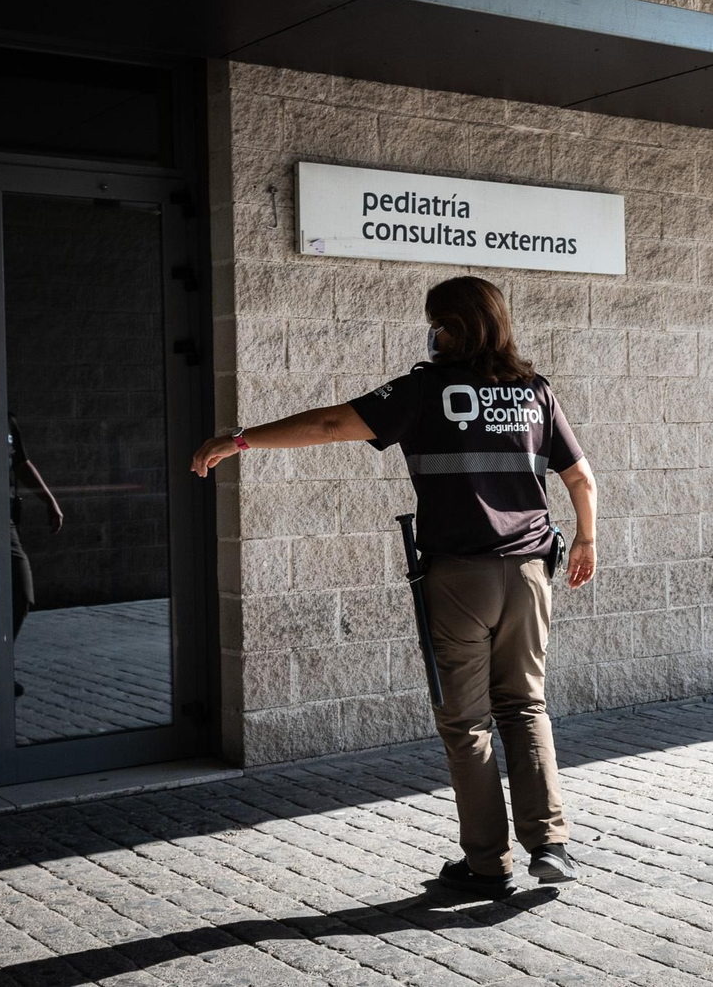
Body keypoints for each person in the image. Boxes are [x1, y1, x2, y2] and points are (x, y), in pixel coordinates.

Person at [191, 275, 597, 898]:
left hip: (458, 577)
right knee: (525, 705)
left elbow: (330, 425)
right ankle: (551, 846)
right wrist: (588, 540)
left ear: (452, 327)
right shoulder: (533, 392)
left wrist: (242, 438)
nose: (431, 332)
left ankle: (488, 866)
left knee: (467, 722)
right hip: (528, 573)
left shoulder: (422, 389)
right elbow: (581, 479)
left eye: (437, 321)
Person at [9, 413, 64, 697]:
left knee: (22, 592)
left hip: (5, 523)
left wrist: (49, 500)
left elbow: (21, 463)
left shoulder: (7, 421)